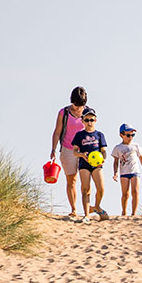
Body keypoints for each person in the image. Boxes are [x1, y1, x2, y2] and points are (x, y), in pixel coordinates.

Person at [49, 86, 95, 219]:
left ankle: (87, 209)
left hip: (85, 150)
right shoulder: (63, 113)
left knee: (86, 180)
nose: (78, 108)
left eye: (80, 106)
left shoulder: (88, 112)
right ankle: (74, 209)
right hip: (68, 149)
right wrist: (53, 149)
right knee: (71, 180)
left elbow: (93, 131)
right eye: (76, 105)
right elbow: (57, 131)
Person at [70, 109, 109, 222]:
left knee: (101, 189)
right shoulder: (80, 135)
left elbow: (104, 151)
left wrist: (103, 159)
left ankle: (97, 206)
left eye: (91, 120)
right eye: (86, 120)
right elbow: (74, 151)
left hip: (97, 165)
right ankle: (86, 215)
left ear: (95, 120)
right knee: (85, 189)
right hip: (84, 164)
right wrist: (81, 155)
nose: (89, 122)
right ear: (82, 121)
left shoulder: (99, 135)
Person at [111, 124, 142, 217]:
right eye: (128, 135)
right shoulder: (118, 147)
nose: (130, 137)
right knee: (125, 194)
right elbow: (116, 161)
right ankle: (124, 212)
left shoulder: (136, 146)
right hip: (124, 172)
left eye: (132, 135)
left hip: (135, 172)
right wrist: (115, 173)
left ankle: (134, 213)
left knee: (135, 192)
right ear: (121, 135)